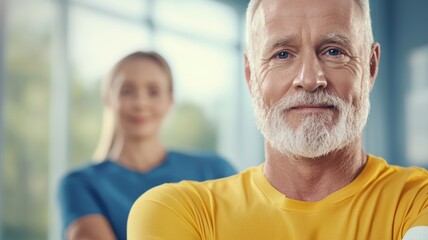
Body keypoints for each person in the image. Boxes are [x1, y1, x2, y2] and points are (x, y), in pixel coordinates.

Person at [127, 0, 428, 239]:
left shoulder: (419, 201)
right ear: (250, 74)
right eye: (282, 55)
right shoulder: (178, 212)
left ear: (371, 67)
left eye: (334, 51)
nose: (310, 79)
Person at [58, 51, 236, 240]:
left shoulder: (214, 171)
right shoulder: (81, 185)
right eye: (127, 91)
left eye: (153, 92)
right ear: (108, 98)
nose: (140, 103)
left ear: (170, 101)